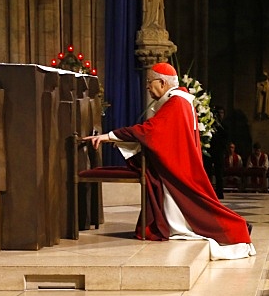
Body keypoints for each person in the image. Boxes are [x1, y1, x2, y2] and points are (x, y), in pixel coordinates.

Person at [82, 62, 253, 260]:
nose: (147, 86)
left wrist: (110, 136)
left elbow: (151, 131)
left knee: (194, 214)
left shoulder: (176, 103)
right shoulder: (180, 100)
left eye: (149, 82)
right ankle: (234, 227)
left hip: (177, 167)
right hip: (180, 163)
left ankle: (235, 229)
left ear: (162, 83)